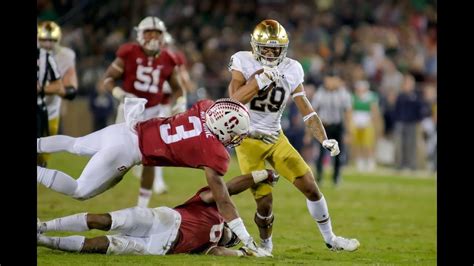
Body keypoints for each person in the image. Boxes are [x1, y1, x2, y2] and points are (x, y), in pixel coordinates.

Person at [37, 97, 271, 257]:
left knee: (75, 145)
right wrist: (246, 239)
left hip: (127, 130)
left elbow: (221, 122)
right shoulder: (214, 153)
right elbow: (223, 199)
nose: (236, 139)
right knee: (79, 191)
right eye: (236, 135)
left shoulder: (205, 107)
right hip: (126, 153)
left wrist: (251, 132)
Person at [228, 19, 359, 253]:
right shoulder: (242, 60)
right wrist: (258, 80)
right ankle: (266, 245)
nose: (269, 53)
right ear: (255, 46)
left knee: (310, 186)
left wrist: (324, 138)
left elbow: (306, 109)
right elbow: (234, 101)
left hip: (275, 137)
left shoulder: (292, 67)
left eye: (275, 49)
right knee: (265, 203)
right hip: (248, 138)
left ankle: (331, 239)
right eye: (265, 48)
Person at [37, 169, 279, 256]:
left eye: (233, 239)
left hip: (159, 248)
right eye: (232, 235)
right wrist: (260, 175)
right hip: (164, 220)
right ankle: (44, 225)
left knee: (100, 246)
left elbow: (220, 253)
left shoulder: (210, 246)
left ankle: (43, 240)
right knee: (105, 220)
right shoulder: (214, 207)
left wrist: (244, 255)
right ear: (229, 227)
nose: (230, 238)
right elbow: (225, 190)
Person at [101, 16, 187, 207]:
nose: (153, 37)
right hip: (129, 109)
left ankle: (142, 206)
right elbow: (107, 79)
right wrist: (118, 92)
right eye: (149, 32)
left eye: (157, 33)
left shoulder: (169, 58)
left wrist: (180, 102)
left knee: (152, 156)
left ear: (164, 36)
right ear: (140, 34)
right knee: (116, 155)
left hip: (154, 112)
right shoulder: (128, 52)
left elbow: (178, 88)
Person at [37, 21, 78, 166]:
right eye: (44, 39)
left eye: (52, 40)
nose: (48, 44)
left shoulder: (66, 56)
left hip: (50, 110)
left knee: (43, 155)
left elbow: (71, 90)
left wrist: (46, 89)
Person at [311, 70, 353, 185]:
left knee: (338, 153)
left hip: (337, 126)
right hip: (324, 126)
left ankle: (336, 177)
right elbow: (313, 111)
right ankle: (319, 177)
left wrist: (348, 131)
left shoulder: (343, 93)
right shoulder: (320, 92)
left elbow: (348, 112)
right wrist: (312, 129)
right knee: (320, 153)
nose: (329, 83)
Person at [37, 45, 64, 165]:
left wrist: (41, 89)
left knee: (39, 153)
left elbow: (58, 85)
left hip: (38, 109)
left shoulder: (45, 57)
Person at [351, 80, 381, 172]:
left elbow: (375, 111)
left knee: (368, 143)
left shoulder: (371, 97)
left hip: (367, 122)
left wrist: (375, 123)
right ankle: (360, 161)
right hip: (356, 122)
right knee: (357, 143)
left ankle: (370, 161)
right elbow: (351, 110)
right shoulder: (354, 97)